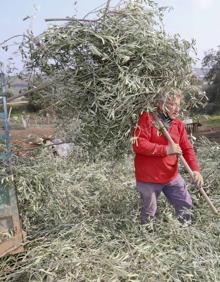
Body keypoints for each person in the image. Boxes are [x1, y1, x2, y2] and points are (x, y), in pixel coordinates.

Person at [132, 89, 204, 224]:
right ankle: (147, 236)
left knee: (185, 203)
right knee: (149, 212)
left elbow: (187, 148)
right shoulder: (147, 118)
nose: (177, 109)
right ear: (160, 104)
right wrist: (165, 149)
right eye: (172, 104)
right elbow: (138, 144)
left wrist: (195, 170)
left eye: (178, 104)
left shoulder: (178, 124)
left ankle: (185, 231)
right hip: (148, 178)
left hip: (171, 175)